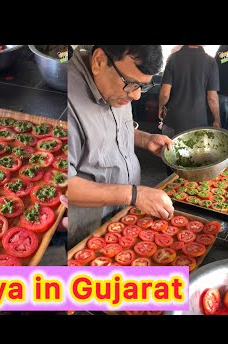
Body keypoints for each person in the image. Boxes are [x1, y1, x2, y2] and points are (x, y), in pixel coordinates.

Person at [68, 45, 174, 249]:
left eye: (143, 86)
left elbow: (105, 132)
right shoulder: (69, 100)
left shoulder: (116, 88)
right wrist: (135, 195)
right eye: (131, 84)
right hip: (88, 231)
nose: (136, 97)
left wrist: (145, 139)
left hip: (124, 215)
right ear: (99, 61)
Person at [158, 45, 220, 137]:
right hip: (198, 123)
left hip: (173, 120)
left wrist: (160, 107)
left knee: (169, 149)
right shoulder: (210, 61)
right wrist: (217, 119)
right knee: (195, 151)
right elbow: (212, 98)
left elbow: (165, 93)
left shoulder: (173, 58)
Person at [216, 45, 228, 129]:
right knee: (220, 125)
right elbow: (218, 60)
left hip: (222, 94)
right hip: (222, 93)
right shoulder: (225, 47)